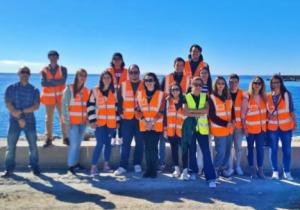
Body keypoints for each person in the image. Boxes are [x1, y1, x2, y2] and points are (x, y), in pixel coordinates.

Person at [2, 66, 40, 178]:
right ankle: (9, 169)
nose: (24, 74)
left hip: (30, 122)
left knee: (33, 146)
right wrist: (20, 118)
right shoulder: (11, 88)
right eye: (22, 72)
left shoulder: (34, 90)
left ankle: (34, 168)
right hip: (14, 122)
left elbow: (36, 106)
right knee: (10, 146)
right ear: (18, 74)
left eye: (27, 72)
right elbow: (9, 104)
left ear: (29, 75)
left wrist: (22, 111)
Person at [183, 77, 217, 187]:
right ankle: (193, 172)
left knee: (206, 152)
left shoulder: (205, 97)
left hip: (202, 130)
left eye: (200, 85)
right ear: (191, 85)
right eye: (195, 84)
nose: (198, 87)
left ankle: (210, 178)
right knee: (191, 151)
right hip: (191, 128)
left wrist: (193, 112)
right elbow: (186, 112)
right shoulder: (186, 97)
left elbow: (206, 111)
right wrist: (199, 112)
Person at [159, 57, 190, 171]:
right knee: (170, 146)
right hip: (169, 114)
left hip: (182, 118)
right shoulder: (166, 78)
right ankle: (164, 163)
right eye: (177, 65)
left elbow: (191, 94)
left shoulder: (188, 79)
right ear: (174, 65)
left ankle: (186, 169)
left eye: (182, 65)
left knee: (184, 148)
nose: (179, 67)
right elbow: (160, 94)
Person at [114, 64, 144, 176]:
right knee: (125, 143)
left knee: (140, 143)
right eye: (131, 72)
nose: (134, 74)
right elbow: (118, 102)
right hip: (126, 120)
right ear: (128, 73)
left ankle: (137, 164)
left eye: (136, 72)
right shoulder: (123, 85)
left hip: (140, 119)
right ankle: (123, 166)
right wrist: (120, 114)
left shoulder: (144, 84)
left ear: (139, 73)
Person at [88, 71, 118, 176]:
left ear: (111, 79)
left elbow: (117, 107)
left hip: (111, 123)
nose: (107, 79)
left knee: (108, 144)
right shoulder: (95, 90)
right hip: (99, 123)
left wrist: (117, 121)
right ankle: (93, 167)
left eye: (108, 78)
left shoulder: (114, 92)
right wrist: (92, 121)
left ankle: (106, 166)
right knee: (100, 143)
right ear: (101, 79)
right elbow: (90, 106)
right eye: (104, 77)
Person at [267, 74, 297, 181]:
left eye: (277, 82)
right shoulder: (268, 96)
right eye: (273, 82)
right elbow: (265, 112)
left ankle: (287, 172)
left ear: (281, 83)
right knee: (273, 150)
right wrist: (269, 115)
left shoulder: (287, 94)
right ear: (271, 84)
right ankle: (275, 171)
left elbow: (291, 110)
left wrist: (295, 124)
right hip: (273, 128)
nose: (275, 84)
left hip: (286, 127)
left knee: (287, 150)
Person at [136, 73, 165, 178]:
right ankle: (149, 170)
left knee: (153, 148)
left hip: (155, 126)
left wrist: (152, 123)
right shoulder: (140, 94)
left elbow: (161, 111)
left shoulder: (161, 94)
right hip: (144, 126)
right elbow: (137, 111)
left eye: (151, 80)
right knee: (147, 148)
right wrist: (145, 122)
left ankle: (154, 170)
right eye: (147, 80)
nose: (149, 82)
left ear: (155, 81)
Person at [62, 68, 89, 175]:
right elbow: (64, 107)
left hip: (82, 122)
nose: (82, 77)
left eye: (84, 75)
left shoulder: (86, 90)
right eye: (80, 75)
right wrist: (67, 122)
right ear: (76, 76)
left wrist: (87, 119)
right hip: (72, 123)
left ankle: (75, 163)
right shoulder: (69, 89)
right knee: (73, 144)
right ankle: (70, 166)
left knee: (78, 144)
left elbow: (88, 106)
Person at [40, 50, 68, 147]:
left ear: (58, 57)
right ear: (48, 57)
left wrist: (50, 81)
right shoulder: (44, 70)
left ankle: (65, 138)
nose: (53, 57)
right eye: (51, 56)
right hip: (49, 99)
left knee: (63, 118)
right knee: (48, 119)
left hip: (61, 98)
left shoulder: (63, 69)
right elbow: (43, 83)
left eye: (55, 56)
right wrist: (56, 81)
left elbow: (63, 81)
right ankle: (48, 139)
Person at [241, 76, 267, 179]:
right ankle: (252, 170)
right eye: (255, 83)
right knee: (250, 149)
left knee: (260, 149)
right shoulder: (247, 97)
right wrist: (244, 128)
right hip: (250, 129)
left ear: (262, 85)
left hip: (261, 130)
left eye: (259, 83)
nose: (257, 85)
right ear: (252, 85)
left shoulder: (264, 97)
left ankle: (260, 170)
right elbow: (243, 115)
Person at [209, 76, 234, 178]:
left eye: (223, 83)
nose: (221, 85)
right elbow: (212, 116)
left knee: (228, 151)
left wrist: (232, 121)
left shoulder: (228, 97)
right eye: (219, 83)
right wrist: (225, 123)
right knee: (221, 152)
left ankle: (222, 170)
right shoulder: (212, 98)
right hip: (219, 130)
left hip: (229, 129)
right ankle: (215, 169)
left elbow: (232, 111)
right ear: (215, 85)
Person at [164, 83, 187, 178]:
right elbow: (165, 116)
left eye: (177, 89)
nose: (175, 91)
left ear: (180, 90)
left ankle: (185, 171)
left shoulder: (184, 100)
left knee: (184, 151)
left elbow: (187, 115)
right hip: (171, 131)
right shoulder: (168, 101)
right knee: (174, 151)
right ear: (171, 91)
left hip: (182, 131)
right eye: (173, 90)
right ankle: (176, 169)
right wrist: (165, 129)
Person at [108, 52, 128, 146]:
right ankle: (112, 137)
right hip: (111, 99)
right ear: (112, 60)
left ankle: (120, 137)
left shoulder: (126, 71)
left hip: (123, 99)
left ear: (122, 60)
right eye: (115, 59)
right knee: (112, 119)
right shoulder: (108, 71)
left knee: (120, 119)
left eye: (119, 59)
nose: (117, 61)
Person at [226, 74, 244, 176]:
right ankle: (230, 167)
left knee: (238, 147)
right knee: (228, 148)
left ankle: (237, 166)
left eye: (235, 82)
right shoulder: (225, 93)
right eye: (231, 82)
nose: (233, 84)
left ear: (238, 83)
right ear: (228, 82)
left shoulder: (243, 94)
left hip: (238, 126)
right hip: (228, 126)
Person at [196, 66, 213, 174]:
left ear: (208, 74)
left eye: (205, 73)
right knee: (198, 147)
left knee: (208, 146)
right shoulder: (194, 87)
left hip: (209, 120)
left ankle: (208, 168)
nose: (203, 75)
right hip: (197, 121)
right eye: (201, 73)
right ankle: (199, 167)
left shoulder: (212, 88)